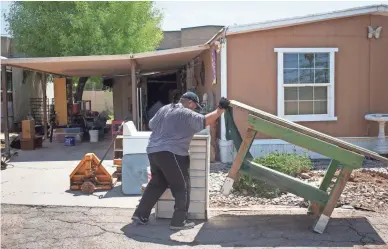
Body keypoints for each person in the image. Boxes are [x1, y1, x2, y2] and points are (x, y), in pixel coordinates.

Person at [132, 92, 230, 230]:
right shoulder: (186, 113)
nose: (194, 110)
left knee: (157, 183)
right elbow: (204, 120)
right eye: (195, 107)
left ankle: (140, 214)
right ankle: (178, 222)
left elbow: (152, 124)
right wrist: (220, 110)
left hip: (153, 150)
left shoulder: (164, 109)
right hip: (172, 153)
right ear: (190, 103)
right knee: (182, 187)